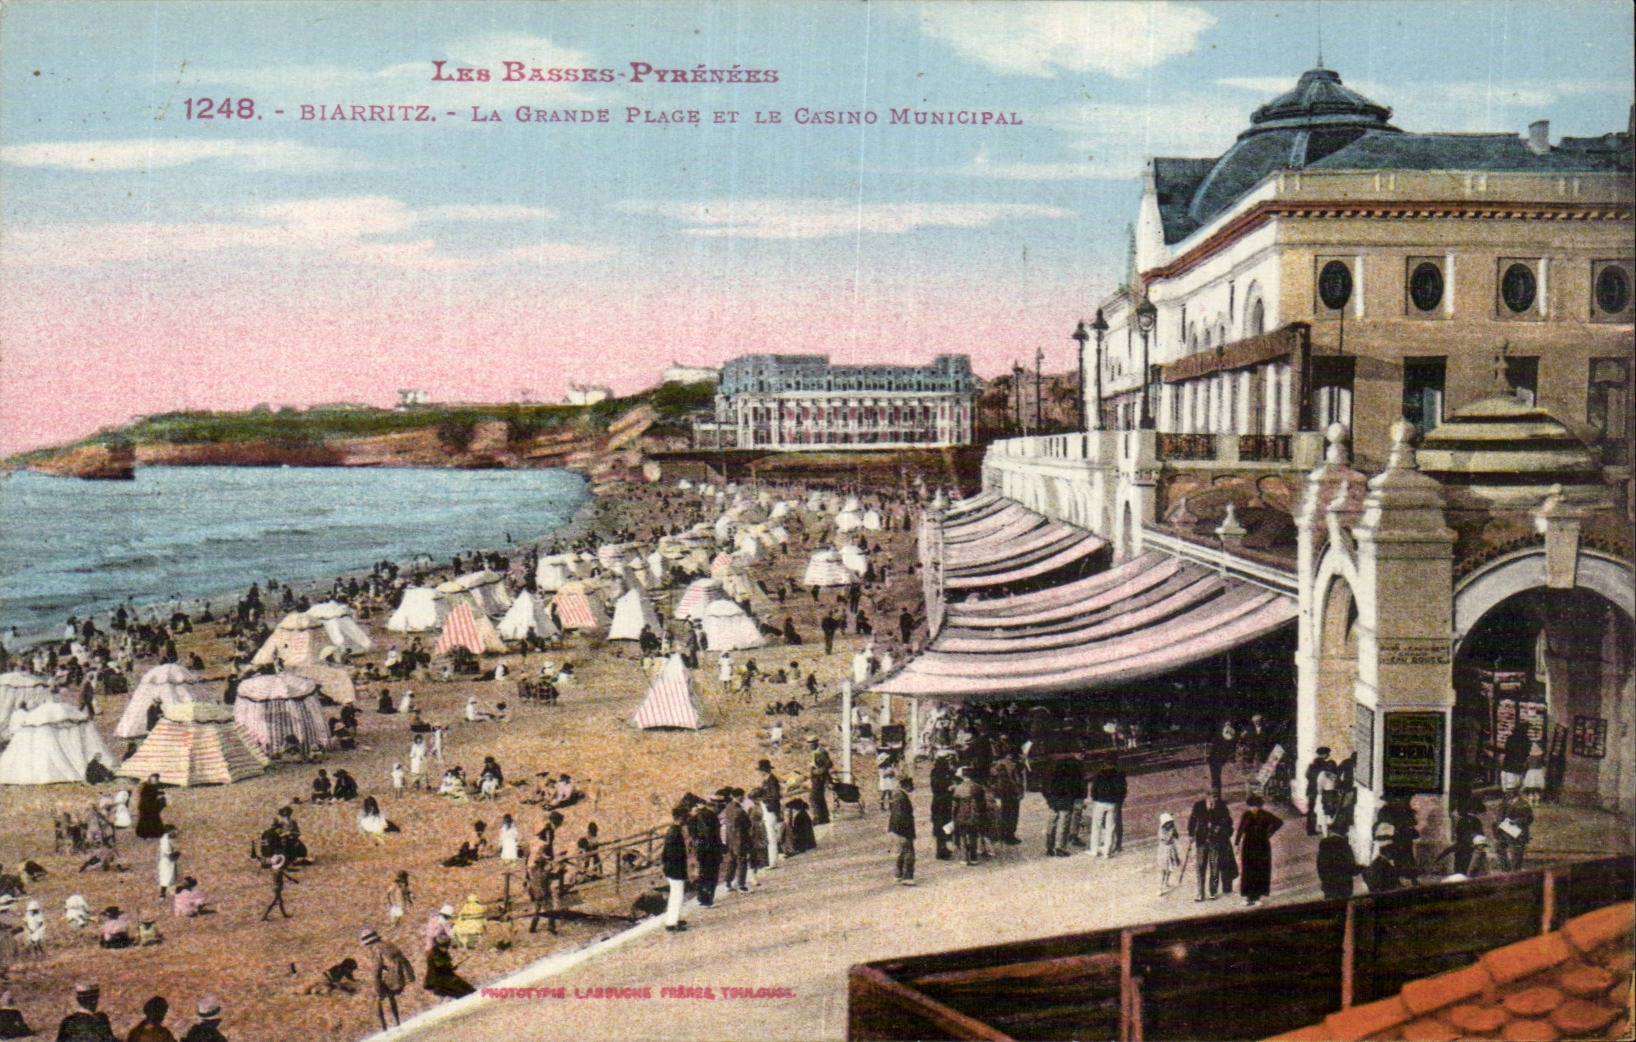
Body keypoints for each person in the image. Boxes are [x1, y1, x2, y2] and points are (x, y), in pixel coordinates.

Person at [1233, 794, 1283, 906]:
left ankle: (1257, 897)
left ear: (1260, 806)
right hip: (1248, 845)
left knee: (1260, 870)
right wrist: (1236, 844)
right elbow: (1240, 830)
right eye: (1251, 806)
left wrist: (1269, 833)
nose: (1254, 808)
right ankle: (1247, 897)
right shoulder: (1246, 815)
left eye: (1256, 806)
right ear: (1248, 806)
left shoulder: (1265, 815)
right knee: (1248, 870)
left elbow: (1279, 822)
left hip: (1262, 845)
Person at [362, 928, 415, 1030]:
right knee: (390, 995)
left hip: (394, 978)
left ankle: (384, 1028)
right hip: (404, 974)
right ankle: (397, 1022)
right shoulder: (388, 944)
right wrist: (410, 974)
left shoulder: (376, 949)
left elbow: (376, 971)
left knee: (377, 998)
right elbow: (401, 959)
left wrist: (377, 988)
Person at [1187, 790, 1234, 902]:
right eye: (1212, 798)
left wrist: (1219, 827)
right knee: (1200, 866)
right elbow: (1192, 820)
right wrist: (1190, 834)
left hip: (1215, 841)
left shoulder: (1221, 807)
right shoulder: (1198, 806)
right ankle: (1200, 893)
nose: (1214, 800)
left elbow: (1228, 821)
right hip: (1201, 841)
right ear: (1207, 797)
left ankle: (1213, 892)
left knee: (1214, 866)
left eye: (1216, 798)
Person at [1043, 755, 1082, 858]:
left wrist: (1049, 800)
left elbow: (1044, 789)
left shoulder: (1051, 776)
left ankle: (1049, 847)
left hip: (1053, 803)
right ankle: (1060, 848)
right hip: (1065, 802)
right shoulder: (1070, 777)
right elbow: (1074, 791)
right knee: (1064, 825)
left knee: (1051, 823)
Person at [689, 797, 724, 907]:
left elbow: (695, 835)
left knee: (704, 874)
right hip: (711, 850)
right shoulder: (709, 815)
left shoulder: (695, 818)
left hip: (702, 850)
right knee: (712, 874)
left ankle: (703, 898)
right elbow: (711, 833)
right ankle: (708, 899)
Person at [661, 806, 690, 932]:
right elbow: (675, 854)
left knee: (676, 895)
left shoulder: (672, 831)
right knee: (677, 896)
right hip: (675, 869)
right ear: (681, 818)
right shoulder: (675, 833)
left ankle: (674, 919)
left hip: (671, 868)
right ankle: (671, 923)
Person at [1088, 760, 1124, 858]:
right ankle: (1107, 851)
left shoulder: (1099, 774)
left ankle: (1094, 849)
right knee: (1110, 828)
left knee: (1096, 826)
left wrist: (1095, 798)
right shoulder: (1119, 775)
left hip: (1100, 802)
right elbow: (1122, 790)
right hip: (1113, 803)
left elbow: (1093, 789)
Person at [950, 767, 986, 866]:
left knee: (962, 836)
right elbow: (983, 803)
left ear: (963, 776)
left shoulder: (958, 788)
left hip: (962, 814)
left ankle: (964, 857)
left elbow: (955, 805)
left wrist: (953, 816)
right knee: (973, 835)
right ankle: (974, 857)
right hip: (974, 814)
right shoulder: (978, 787)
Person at [423, 933, 474, 999]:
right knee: (462, 994)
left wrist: (451, 967)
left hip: (446, 978)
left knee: (469, 990)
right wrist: (449, 968)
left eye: (446, 947)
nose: (445, 949)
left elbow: (446, 966)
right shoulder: (434, 955)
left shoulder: (443, 953)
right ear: (438, 946)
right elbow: (441, 967)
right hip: (438, 983)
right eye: (443, 947)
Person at [724, 787, 754, 892]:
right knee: (742, 861)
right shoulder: (740, 811)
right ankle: (741, 884)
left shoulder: (728, 807)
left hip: (730, 839)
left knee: (732, 861)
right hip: (740, 838)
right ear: (740, 796)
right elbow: (748, 824)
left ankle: (728, 882)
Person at [1494, 791, 1533, 871]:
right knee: (1499, 847)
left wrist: (1516, 822)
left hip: (1517, 833)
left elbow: (1529, 818)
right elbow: (1499, 817)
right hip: (1504, 831)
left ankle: (1515, 871)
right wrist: (1498, 825)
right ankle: (1506, 868)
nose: (1509, 794)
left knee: (1516, 853)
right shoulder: (1504, 803)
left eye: (1512, 791)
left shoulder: (1523, 804)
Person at [1316, 832, 1361, 900]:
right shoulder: (1345, 847)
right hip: (1344, 888)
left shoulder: (1323, 851)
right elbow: (1352, 869)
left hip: (1329, 888)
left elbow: (1321, 873)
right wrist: (1363, 867)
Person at [889, 775, 916, 886]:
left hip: (897, 829)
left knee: (902, 851)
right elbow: (899, 816)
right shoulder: (901, 798)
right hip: (904, 829)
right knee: (909, 852)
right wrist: (902, 832)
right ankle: (907, 876)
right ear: (906, 785)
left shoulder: (898, 796)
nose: (913, 787)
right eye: (911, 785)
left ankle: (898, 874)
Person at [260, 854, 296, 920]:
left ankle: (284, 914)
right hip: (278, 887)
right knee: (274, 902)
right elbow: (287, 876)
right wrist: (293, 880)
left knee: (280, 901)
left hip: (276, 887)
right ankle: (265, 916)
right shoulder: (279, 871)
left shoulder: (274, 870)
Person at [807, 738, 833, 826]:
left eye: (810, 744)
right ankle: (824, 817)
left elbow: (829, 764)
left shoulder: (820, 753)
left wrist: (817, 772)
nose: (809, 746)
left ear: (815, 744)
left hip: (819, 778)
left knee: (813, 798)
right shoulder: (816, 752)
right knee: (819, 797)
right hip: (817, 778)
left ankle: (817, 817)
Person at [1206, 723, 1236, 794]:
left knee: (1215, 776)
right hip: (1215, 757)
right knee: (1215, 776)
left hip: (1217, 757)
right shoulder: (1219, 732)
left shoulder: (1225, 732)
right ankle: (1216, 791)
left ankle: (1216, 792)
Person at [1156, 812, 1182, 893]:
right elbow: (1166, 840)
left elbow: (1177, 837)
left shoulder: (1172, 828)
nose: (1170, 824)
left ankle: (1166, 883)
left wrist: (1174, 831)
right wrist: (1171, 832)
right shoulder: (1161, 831)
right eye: (1168, 823)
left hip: (1171, 849)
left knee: (1170, 868)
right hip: (1164, 851)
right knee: (1163, 869)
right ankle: (1160, 886)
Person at [135, 774, 167, 839]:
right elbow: (144, 796)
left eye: (155, 780)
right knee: (145, 820)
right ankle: (145, 834)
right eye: (152, 780)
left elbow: (162, 795)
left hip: (154, 806)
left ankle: (155, 833)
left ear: (157, 780)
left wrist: (161, 797)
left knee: (154, 819)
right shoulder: (146, 787)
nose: (153, 781)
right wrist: (155, 796)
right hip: (146, 806)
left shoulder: (158, 787)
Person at [156, 826, 179, 899]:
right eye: (174, 832)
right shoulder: (164, 840)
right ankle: (165, 893)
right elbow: (167, 852)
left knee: (166, 876)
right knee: (167, 876)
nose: (175, 835)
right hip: (166, 861)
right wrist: (176, 854)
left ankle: (164, 893)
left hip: (167, 860)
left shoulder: (165, 839)